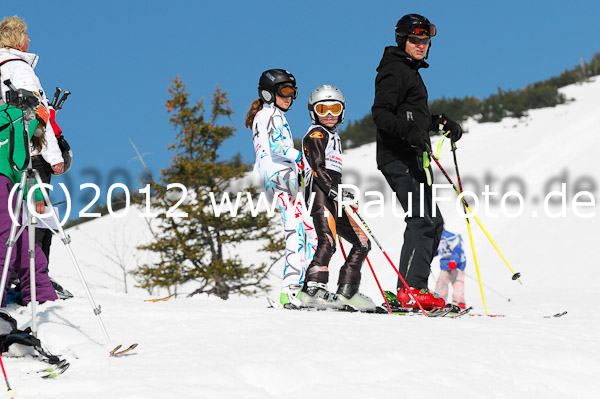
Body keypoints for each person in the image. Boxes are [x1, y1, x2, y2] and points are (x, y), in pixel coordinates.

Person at [371, 14, 463, 310]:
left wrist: (439, 122)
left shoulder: (410, 71)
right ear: (403, 40)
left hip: (413, 156)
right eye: (415, 40)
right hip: (397, 156)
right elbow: (381, 114)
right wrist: (410, 132)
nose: (422, 45)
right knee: (422, 219)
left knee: (433, 222)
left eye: (425, 40)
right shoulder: (394, 70)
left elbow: (410, 115)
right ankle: (411, 290)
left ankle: (411, 288)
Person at [0, 15, 60, 306]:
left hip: (7, 153)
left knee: (15, 224)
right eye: (27, 35)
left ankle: (35, 289)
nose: (30, 40)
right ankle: (35, 290)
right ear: (17, 39)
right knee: (20, 226)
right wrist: (54, 156)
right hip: (19, 156)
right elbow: (38, 116)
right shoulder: (19, 69)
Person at [300, 85, 375, 311]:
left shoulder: (334, 136)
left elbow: (332, 172)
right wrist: (332, 190)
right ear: (314, 112)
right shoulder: (316, 134)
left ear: (342, 111)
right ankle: (312, 289)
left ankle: (348, 291)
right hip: (319, 194)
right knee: (328, 241)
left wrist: (343, 193)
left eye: (335, 108)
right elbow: (317, 167)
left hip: (332, 194)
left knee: (362, 242)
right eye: (323, 109)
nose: (330, 114)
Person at [245, 69, 316, 308]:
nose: (290, 97)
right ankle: (292, 290)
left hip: (278, 176)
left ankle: (304, 286)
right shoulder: (270, 115)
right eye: (285, 91)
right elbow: (280, 147)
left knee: (309, 231)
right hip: (279, 176)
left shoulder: (268, 115)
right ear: (268, 93)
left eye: (293, 92)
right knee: (297, 231)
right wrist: (308, 160)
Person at [434, 229, 466, 309]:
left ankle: (459, 303)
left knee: (457, 283)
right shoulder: (435, 238)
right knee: (441, 283)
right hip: (445, 265)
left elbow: (457, 250)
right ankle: (440, 302)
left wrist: (454, 261)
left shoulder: (449, 237)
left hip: (457, 265)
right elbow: (435, 250)